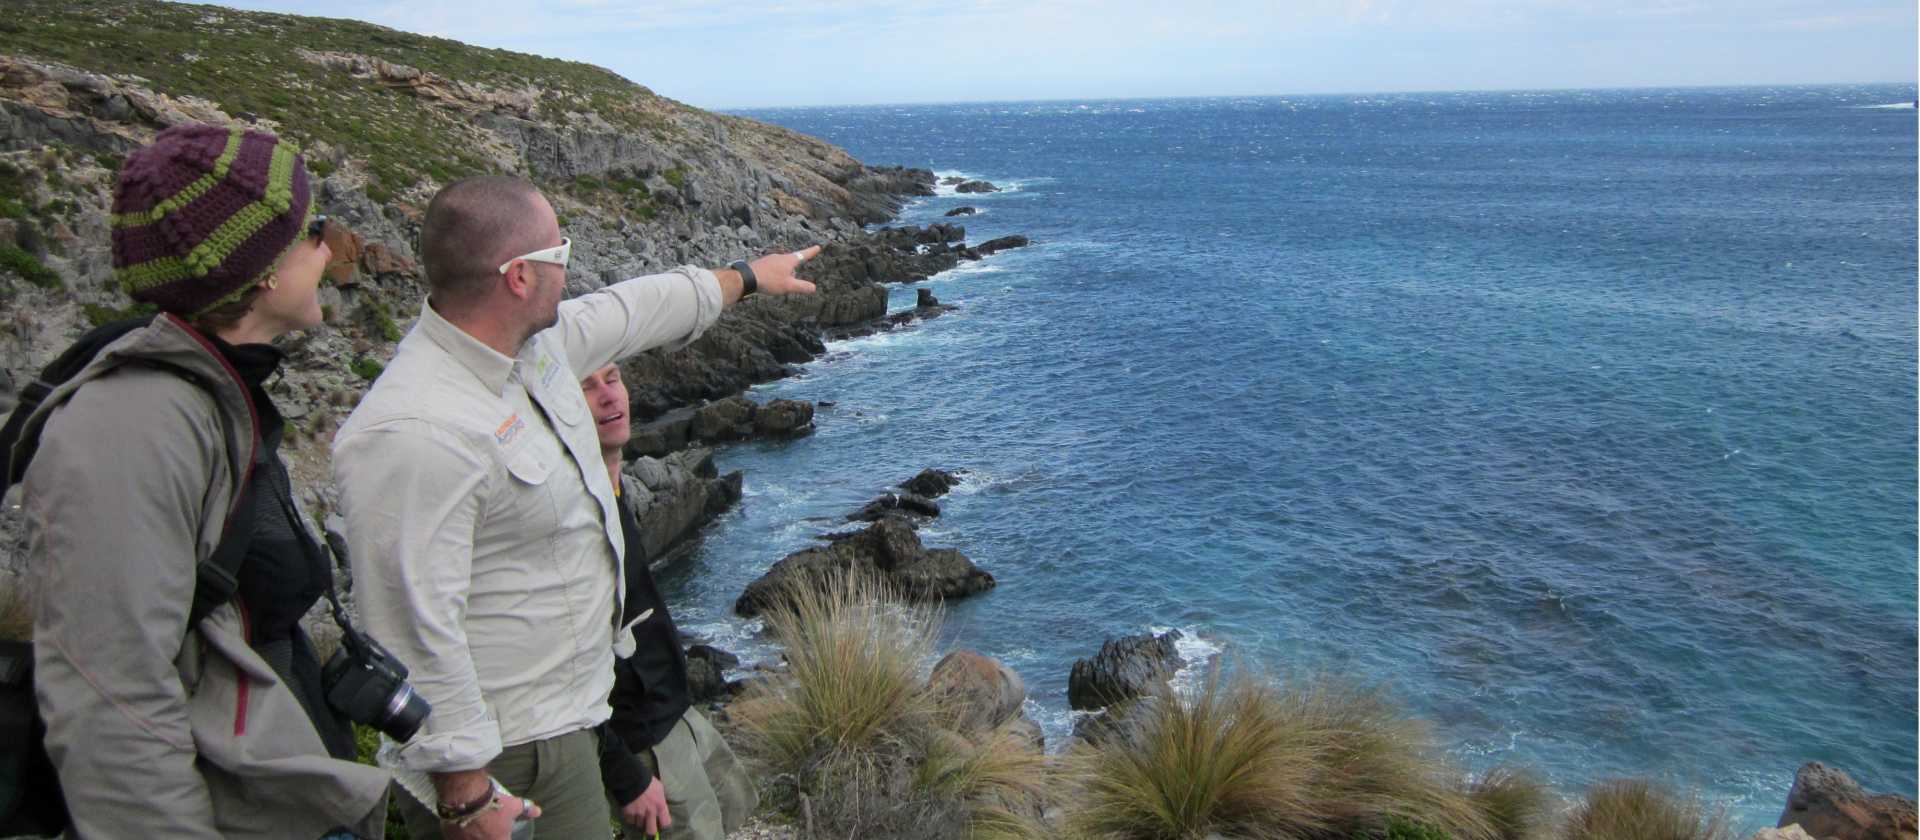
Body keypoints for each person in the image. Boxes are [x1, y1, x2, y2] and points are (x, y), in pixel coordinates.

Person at [332, 175, 817, 840]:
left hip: (571, 717)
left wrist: (748, 278)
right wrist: (466, 794)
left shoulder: (534, 350)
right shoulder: (414, 429)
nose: (570, 265)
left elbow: (633, 308)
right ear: (520, 277)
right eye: (560, 253)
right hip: (506, 753)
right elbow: (410, 623)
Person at [20, 123, 390, 837]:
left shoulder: (215, 394)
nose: (329, 247)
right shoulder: (135, 423)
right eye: (313, 230)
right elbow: (111, 699)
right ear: (261, 270)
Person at [583, 363, 756, 840]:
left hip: (674, 708)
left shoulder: (611, 489)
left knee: (731, 809)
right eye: (586, 388)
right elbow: (560, 661)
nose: (608, 396)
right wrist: (622, 770)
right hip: (638, 735)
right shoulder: (575, 517)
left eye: (612, 378)